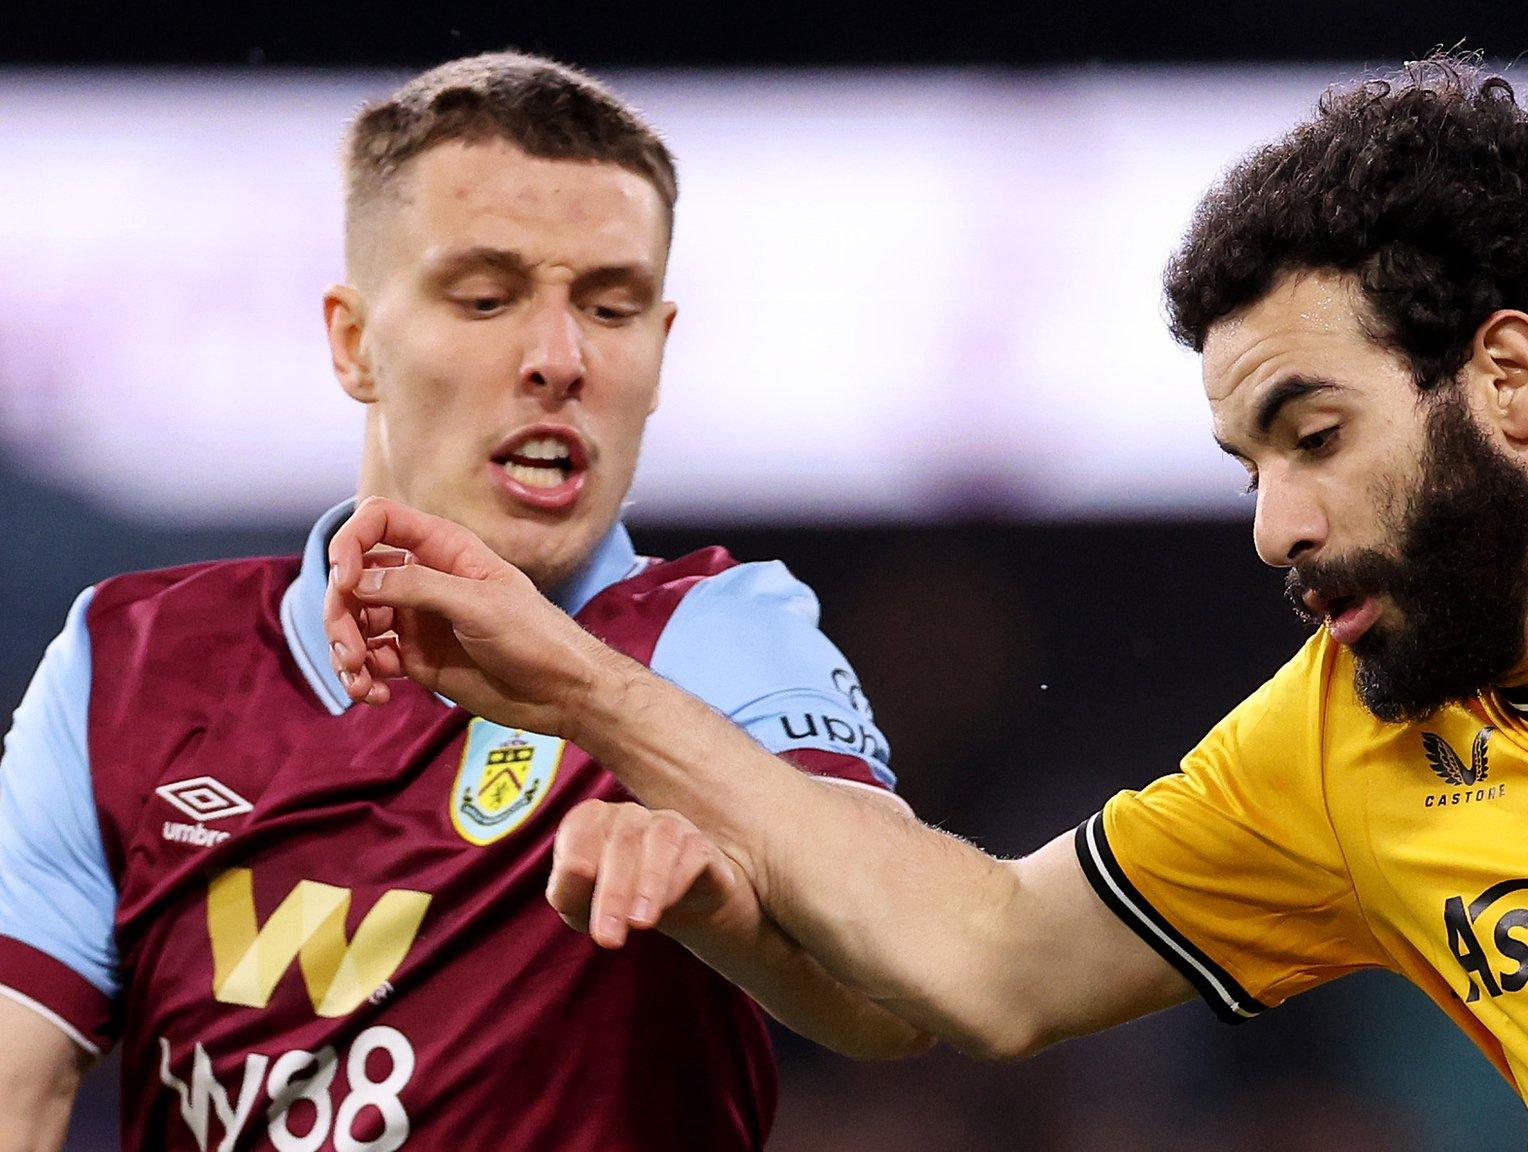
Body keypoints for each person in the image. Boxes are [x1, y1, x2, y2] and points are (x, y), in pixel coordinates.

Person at [323, 56, 1528, 1151]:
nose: (1271, 525)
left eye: (1313, 434)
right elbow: (984, 958)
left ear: (1506, 379)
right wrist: (578, 683)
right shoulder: (1336, 744)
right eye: (1243, 464)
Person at [0, 51, 928, 1152]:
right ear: (354, 343)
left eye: (611, 306)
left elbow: (905, 983)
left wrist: (726, 914)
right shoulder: (132, 664)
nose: (559, 358)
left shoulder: (714, 636)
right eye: (486, 299)